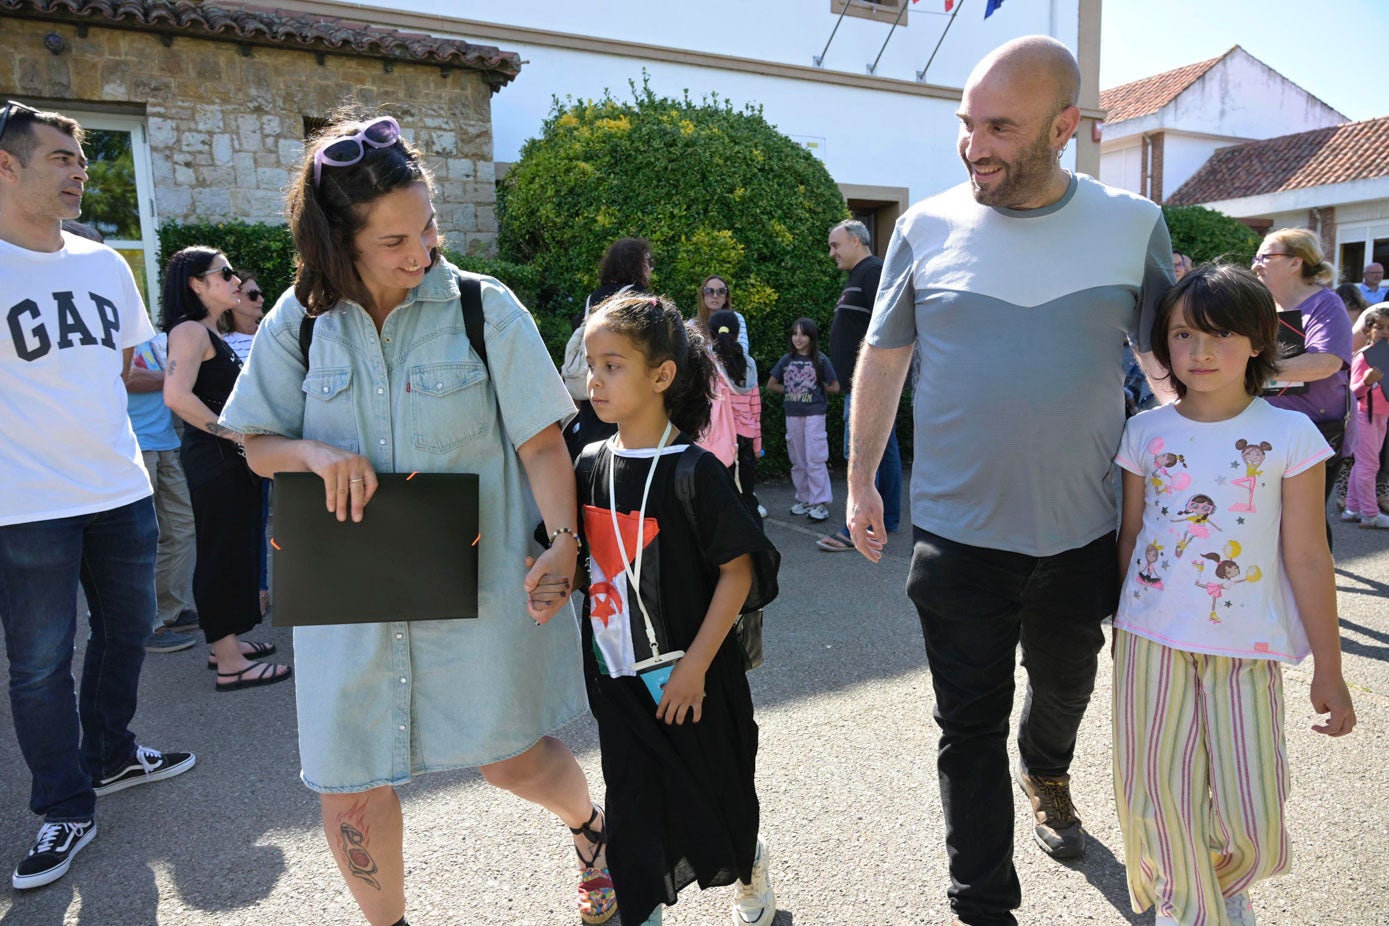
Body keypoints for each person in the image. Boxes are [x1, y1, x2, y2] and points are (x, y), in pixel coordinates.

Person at [219, 113, 613, 926]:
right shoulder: (297, 322)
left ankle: (592, 829)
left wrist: (564, 543)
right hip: (346, 600)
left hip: (479, 583)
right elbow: (256, 446)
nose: (421, 251)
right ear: (338, 241)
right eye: (393, 240)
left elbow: (544, 445)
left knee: (511, 762)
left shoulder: (483, 308)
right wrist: (314, 456)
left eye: (427, 226)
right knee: (349, 788)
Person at [843, 36, 1176, 926]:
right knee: (966, 730)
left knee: (1065, 687)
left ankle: (1049, 771)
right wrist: (860, 481)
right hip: (957, 541)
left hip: (1082, 536)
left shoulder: (1133, 224)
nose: (974, 144)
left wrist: (1210, 469)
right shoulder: (924, 227)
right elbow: (883, 355)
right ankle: (981, 903)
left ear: (1065, 127)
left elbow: (1169, 358)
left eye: (998, 125)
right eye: (965, 123)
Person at [1112, 263, 1356, 926]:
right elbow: (1130, 539)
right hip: (1149, 639)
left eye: (1221, 334)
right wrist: (1113, 628)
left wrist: (1329, 669)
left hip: (1245, 648)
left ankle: (1218, 882)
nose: (1201, 350)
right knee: (1158, 791)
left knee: (1254, 810)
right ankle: (1185, 903)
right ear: (1164, 344)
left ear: (1257, 342)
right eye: (1184, 334)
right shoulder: (1143, 431)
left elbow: (1307, 557)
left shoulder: (1289, 437)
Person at [0, 100, 195, 890]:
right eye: (60, 157)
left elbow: (119, 369)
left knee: (131, 631)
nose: (80, 170)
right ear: (5, 165)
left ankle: (112, 755)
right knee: (41, 664)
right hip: (24, 504)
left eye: (82, 158)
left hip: (119, 489)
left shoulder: (105, 263)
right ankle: (64, 808)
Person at [576, 293, 775, 926]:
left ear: (661, 376)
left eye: (613, 365)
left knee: (715, 795)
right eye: (591, 364)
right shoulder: (586, 464)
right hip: (617, 678)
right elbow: (584, 560)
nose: (594, 380)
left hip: (696, 676)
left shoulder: (695, 469)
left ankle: (750, 867)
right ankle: (643, 907)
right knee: (632, 806)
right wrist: (551, 582)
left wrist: (693, 666)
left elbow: (738, 572)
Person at [161, 247, 289, 691]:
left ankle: (225, 646)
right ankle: (231, 663)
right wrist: (233, 435)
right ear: (196, 285)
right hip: (216, 460)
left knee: (233, 551)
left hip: (224, 461)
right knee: (221, 555)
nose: (236, 280)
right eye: (225, 273)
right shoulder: (191, 332)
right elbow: (176, 396)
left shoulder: (206, 331)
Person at [1250, 229, 1353, 544]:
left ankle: (1316, 589)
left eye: (1265, 256)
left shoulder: (1326, 305)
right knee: (1273, 518)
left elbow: (1326, 363)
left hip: (1317, 431)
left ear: (1295, 263)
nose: (1255, 265)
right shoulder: (1264, 307)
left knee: (1306, 523)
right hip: (1268, 429)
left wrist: (1252, 371)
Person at [818, 218, 901, 552]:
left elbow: (890, 327)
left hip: (871, 384)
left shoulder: (873, 272)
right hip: (863, 383)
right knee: (884, 450)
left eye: (835, 245)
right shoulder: (859, 276)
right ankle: (886, 519)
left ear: (855, 239)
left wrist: (878, 379)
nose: (831, 253)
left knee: (864, 452)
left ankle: (862, 527)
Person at [126, 329, 200, 653]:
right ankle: (145, 625)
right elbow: (125, 377)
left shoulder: (153, 333)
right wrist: (173, 380)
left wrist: (171, 378)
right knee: (141, 542)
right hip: (136, 447)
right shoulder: (115, 329)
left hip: (165, 442)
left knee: (182, 530)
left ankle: (166, 611)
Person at [562, 237, 653, 458]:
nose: (651, 268)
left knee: (594, 453)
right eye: (648, 261)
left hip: (594, 387)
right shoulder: (640, 299)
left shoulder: (594, 297)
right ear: (635, 264)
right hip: (626, 387)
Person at [217, 269, 272, 612]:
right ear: (235, 303)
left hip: (278, 440)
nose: (260, 299)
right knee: (249, 520)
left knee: (276, 516)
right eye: (252, 294)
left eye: (260, 293)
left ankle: (264, 588)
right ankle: (252, 591)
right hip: (237, 444)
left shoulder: (272, 336)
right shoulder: (221, 344)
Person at [768, 317, 839, 522]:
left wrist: (814, 389)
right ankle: (805, 499)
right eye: (795, 333)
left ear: (811, 337)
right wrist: (791, 390)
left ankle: (820, 503)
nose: (798, 338)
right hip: (793, 414)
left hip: (815, 414)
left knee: (815, 458)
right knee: (798, 459)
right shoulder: (786, 359)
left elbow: (835, 386)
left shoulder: (820, 360)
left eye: (803, 334)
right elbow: (771, 384)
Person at [708, 309, 764, 514]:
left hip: (719, 440)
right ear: (738, 332)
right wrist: (758, 444)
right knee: (747, 498)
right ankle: (754, 542)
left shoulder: (707, 364)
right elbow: (755, 407)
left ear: (711, 334)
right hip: (746, 439)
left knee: (721, 500)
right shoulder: (748, 364)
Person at [1344, 303, 1389, 528]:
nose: (1385, 332)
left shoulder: (1387, 355)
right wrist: (1367, 381)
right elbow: (1353, 393)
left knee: (1363, 464)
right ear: (1367, 331)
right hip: (1364, 417)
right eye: (1379, 327)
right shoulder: (1364, 357)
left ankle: (1352, 508)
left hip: (1381, 417)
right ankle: (1370, 514)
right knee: (1368, 466)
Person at [695, 274, 750, 353]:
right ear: (703, 297)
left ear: (726, 298)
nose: (715, 296)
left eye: (721, 291)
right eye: (709, 291)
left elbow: (743, 352)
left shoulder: (737, 318)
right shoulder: (692, 325)